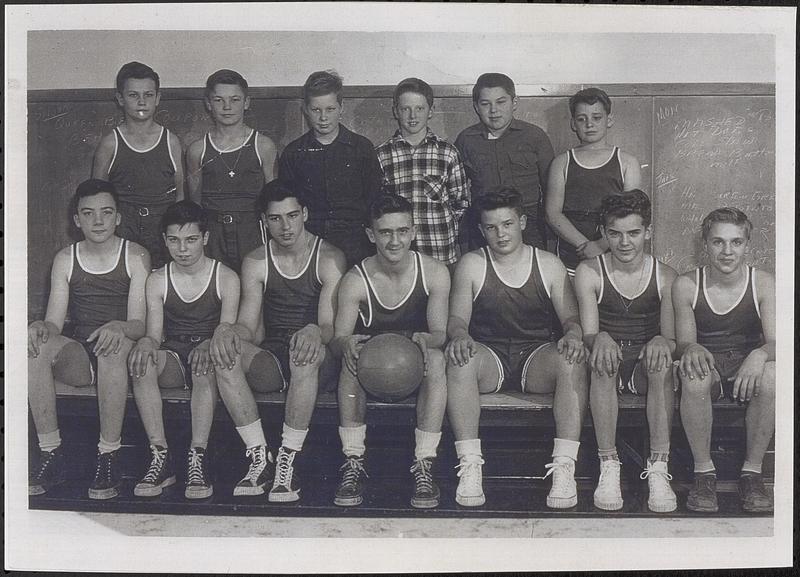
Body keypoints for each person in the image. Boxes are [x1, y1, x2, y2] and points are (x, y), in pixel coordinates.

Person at [445, 186, 587, 509]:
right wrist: (459, 335)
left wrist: (574, 335)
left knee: (572, 359)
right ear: (481, 230)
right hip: (489, 355)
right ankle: (469, 465)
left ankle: (564, 467)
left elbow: (571, 320)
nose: (500, 233)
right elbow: (456, 320)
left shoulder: (548, 264)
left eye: (507, 224)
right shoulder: (471, 263)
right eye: (491, 227)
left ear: (522, 222)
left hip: (534, 357)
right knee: (459, 359)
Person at [209, 180, 346, 502]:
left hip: (317, 352)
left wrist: (313, 330)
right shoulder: (256, 261)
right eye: (275, 219)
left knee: (305, 353)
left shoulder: (329, 257)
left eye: (292, 216)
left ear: (305, 214)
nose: (285, 226)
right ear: (264, 221)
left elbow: (329, 326)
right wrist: (226, 331)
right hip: (275, 354)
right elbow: (248, 326)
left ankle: (289, 457)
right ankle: (259, 457)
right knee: (224, 352)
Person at [28, 179, 149, 499]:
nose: (98, 221)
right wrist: (40, 327)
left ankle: (108, 454)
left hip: (121, 349)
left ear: (118, 218)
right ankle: (51, 453)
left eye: (106, 213)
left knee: (111, 347)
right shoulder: (65, 258)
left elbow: (140, 324)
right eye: (89, 213)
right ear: (76, 219)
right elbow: (55, 322)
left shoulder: (135, 255)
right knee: (34, 346)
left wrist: (118, 326)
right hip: (82, 353)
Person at [331, 194, 450, 509]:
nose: (394, 240)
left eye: (401, 231)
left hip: (414, 362)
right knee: (352, 358)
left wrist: (427, 340)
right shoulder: (355, 279)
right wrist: (347, 344)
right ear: (371, 235)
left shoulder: (435, 272)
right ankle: (353, 460)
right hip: (371, 368)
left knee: (436, 359)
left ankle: (425, 462)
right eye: (385, 232)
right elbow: (339, 336)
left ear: (413, 232)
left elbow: (440, 332)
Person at [574, 191, 679, 512]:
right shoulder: (589, 271)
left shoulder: (666, 275)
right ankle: (609, 465)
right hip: (609, 361)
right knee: (602, 362)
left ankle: (659, 468)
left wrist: (663, 341)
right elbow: (590, 333)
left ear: (648, 231)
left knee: (661, 362)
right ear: (603, 233)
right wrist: (599, 336)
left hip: (644, 366)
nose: (624, 242)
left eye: (633, 233)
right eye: (615, 234)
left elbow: (672, 339)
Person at [127, 201, 240, 500]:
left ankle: (197, 457)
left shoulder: (226, 277)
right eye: (174, 240)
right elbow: (153, 334)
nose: (183, 249)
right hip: (176, 356)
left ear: (204, 238)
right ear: (165, 240)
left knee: (206, 363)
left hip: (209, 355)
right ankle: (160, 455)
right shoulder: (158, 279)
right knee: (141, 362)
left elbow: (226, 329)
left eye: (191, 240)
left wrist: (208, 343)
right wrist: (146, 343)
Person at [672, 208, 775, 513]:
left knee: (771, 375)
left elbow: (780, 341)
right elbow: (685, 342)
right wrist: (691, 349)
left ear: (747, 244)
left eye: (736, 242)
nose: (727, 251)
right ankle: (704, 475)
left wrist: (759, 354)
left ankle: (752, 475)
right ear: (705, 244)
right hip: (711, 366)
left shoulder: (764, 282)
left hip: (747, 366)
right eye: (718, 242)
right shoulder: (687, 284)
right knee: (693, 374)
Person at [278, 70, 384, 267]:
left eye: (330, 109)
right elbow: (288, 205)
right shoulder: (294, 152)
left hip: (357, 241)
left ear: (341, 108)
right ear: (305, 110)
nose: (323, 117)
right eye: (316, 110)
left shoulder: (362, 148)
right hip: (310, 241)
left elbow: (374, 199)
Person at [92, 61, 184, 268]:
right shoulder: (110, 143)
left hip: (162, 227)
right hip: (124, 227)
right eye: (133, 95)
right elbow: (96, 197)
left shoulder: (171, 141)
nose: (142, 101)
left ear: (158, 98)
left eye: (148, 95)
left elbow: (180, 195)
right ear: (120, 99)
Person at [186, 69, 277, 272]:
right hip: (213, 232)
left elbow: (273, 200)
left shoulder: (263, 145)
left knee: (253, 290)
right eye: (219, 100)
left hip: (252, 230)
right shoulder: (197, 149)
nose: (227, 107)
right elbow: (195, 203)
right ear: (208, 104)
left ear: (246, 102)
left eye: (235, 100)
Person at [545, 87, 642, 275]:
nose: (589, 124)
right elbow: (553, 214)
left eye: (596, 118)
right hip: (572, 252)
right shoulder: (562, 162)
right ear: (573, 124)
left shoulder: (627, 161)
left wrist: (600, 245)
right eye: (582, 119)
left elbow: (633, 213)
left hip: (614, 250)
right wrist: (584, 245)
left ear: (609, 120)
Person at [455, 73, 554, 251]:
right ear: (476, 107)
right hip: (483, 229)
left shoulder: (535, 137)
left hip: (528, 227)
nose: (494, 110)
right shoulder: (466, 140)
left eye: (501, 102)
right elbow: (458, 194)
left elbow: (551, 191)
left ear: (514, 103)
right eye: (485, 104)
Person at [375, 77, 469, 266]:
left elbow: (461, 203)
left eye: (419, 108)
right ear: (395, 111)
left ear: (431, 111)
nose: (412, 116)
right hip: (397, 252)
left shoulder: (447, 152)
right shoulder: (381, 155)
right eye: (405, 109)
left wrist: (444, 225)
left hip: (438, 248)